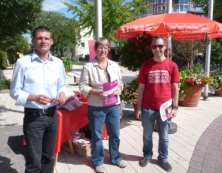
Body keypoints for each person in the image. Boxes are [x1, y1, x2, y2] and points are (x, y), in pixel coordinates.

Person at [10, 26, 70, 173]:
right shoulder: (23, 63)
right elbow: (14, 91)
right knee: (33, 162)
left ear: (51, 41)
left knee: (48, 157)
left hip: (52, 115)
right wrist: (33, 97)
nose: (43, 41)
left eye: (46, 38)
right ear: (33, 41)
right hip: (34, 117)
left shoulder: (58, 63)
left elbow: (63, 85)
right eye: (40, 38)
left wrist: (62, 93)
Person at [79, 37, 127, 173]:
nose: (103, 50)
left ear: (108, 50)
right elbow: (82, 86)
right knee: (97, 135)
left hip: (113, 106)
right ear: (95, 50)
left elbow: (120, 83)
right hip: (96, 107)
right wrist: (95, 92)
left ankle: (116, 158)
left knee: (115, 134)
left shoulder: (114, 65)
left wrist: (119, 89)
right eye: (100, 47)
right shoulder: (88, 67)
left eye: (106, 48)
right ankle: (98, 161)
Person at [136, 34, 180, 172]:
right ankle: (147, 155)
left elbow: (175, 88)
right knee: (147, 135)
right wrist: (138, 108)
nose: (157, 49)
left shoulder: (172, 66)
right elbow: (141, 88)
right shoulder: (146, 66)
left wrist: (175, 107)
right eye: (154, 46)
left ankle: (163, 158)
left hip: (166, 107)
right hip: (148, 107)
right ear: (151, 48)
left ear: (165, 47)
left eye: (160, 46)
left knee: (164, 136)